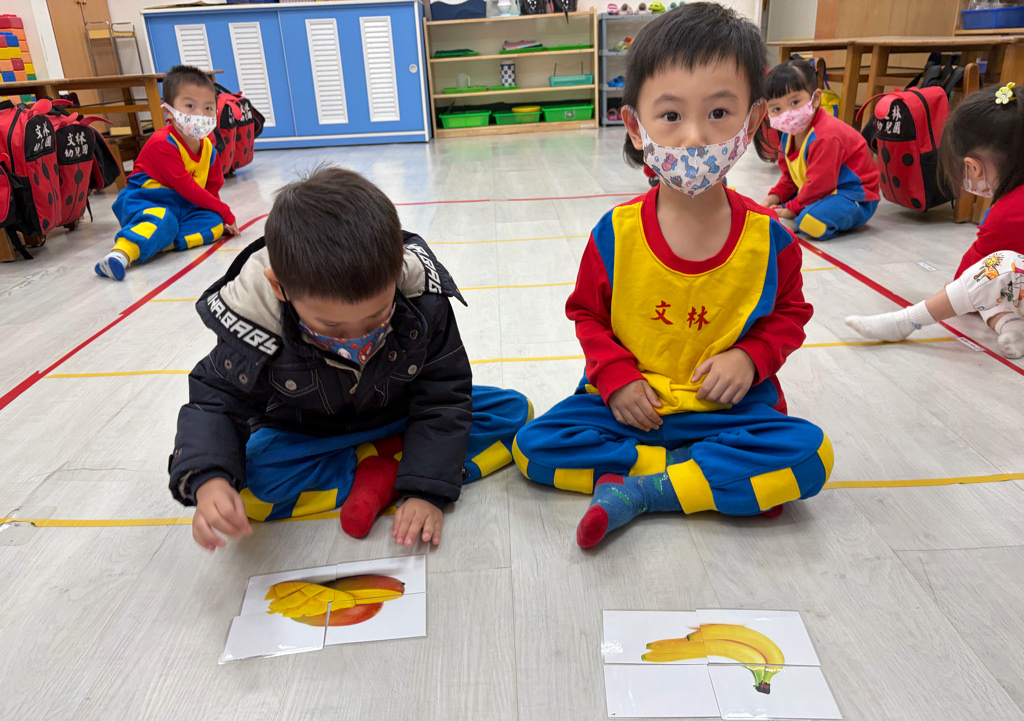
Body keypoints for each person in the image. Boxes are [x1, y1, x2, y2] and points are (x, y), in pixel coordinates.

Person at [511, 3, 833, 549]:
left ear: (754, 120)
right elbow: (587, 315)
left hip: (728, 411)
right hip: (632, 406)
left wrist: (749, 358)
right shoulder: (615, 234)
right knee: (534, 445)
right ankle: (706, 478)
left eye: (719, 113)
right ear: (635, 127)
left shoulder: (769, 239)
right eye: (670, 116)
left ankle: (640, 486)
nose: (694, 137)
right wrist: (616, 378)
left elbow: (789, 316)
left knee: (810, 454)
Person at [168, 166, 531, 551]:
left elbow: (444, 395)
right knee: (247, 488)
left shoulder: (423, 300)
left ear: (397, 267)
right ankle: (378, 469)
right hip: (307, 433)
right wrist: (210, 479)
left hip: (398, 414)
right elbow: (216, 403)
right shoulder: (254, 321)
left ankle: (397, 471)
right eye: (333, 326)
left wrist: (427, 491)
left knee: (510, 412)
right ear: (279, 287)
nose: (358, 338)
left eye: (376, 317)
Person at [846, 83, 1024, 358]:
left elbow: (970, 276)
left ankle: (905, 321)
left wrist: (956, 291)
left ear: (973, 167)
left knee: (994, 270)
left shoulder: (1008, 212)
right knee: (998, 280)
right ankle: (1009, 324)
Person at [94, 65, 238, 280]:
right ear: (169, 111)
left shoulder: (209, 150)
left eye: (208, 108)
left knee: (214, 222)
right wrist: (226, 212)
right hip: (146, 203)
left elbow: (211, 189)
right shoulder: (162, 143)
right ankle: (121, 254)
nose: (200, 114)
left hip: (183, 207)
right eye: (190, 106)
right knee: (163, 219)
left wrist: (220, 214)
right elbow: (187, 188)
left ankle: (161, 240)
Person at [756, 59, 880, 241]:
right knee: (775, 208)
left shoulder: (825, 136)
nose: (786, 113)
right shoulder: (788, 136)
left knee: (810, 221)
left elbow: (819, 185)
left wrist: (790, 209)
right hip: (823, 190)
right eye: (776, 108)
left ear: (815, 99)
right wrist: (771, 199)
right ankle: (801, 212)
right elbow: (790, 178)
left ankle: (806, 215)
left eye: (795, 102)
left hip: (853, 196)